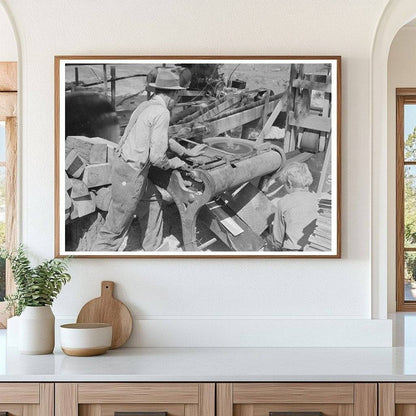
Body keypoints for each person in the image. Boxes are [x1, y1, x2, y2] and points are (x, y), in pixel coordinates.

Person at [92, 68, 205, 252]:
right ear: (175, 94)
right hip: (130, 175)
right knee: (113, 232)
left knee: (153, 200)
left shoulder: (147, 105)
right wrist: (176, 163)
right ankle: (92, 268)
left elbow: (163, 139)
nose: (177, 101)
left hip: (125, 167)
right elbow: (157, 158)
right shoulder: (162, 113)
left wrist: (186, 153)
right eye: (178, 96)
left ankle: (152, 250)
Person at [272, 162, 318, 251]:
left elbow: (278, 239)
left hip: (292, 251)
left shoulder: (283, 201)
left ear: (289, 183)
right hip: (313, 249)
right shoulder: (316, 199)